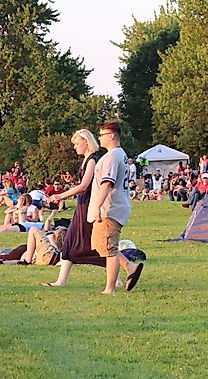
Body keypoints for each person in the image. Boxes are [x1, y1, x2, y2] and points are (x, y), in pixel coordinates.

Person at [44, 128, 142, 292]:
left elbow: (95, 185)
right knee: (97, 245)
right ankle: (125, 270)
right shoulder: (108, 157)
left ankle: (114, 282)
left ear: (86, 141)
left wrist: (61, 196)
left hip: (97, 206)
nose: (75, 147)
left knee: (101, 245)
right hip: (94, 205)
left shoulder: (100, 158)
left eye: (77, 143)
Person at [86, 121, 141, 294]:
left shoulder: (111, 157)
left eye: (102, 135)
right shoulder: (120, 155)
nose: (99, 138)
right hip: (117, 206)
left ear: (111, 136)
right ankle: (130, 267)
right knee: (103, 246)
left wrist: (97, 206)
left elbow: (107, 184)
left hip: (110, 208)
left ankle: (110, 288)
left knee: (109, 250)